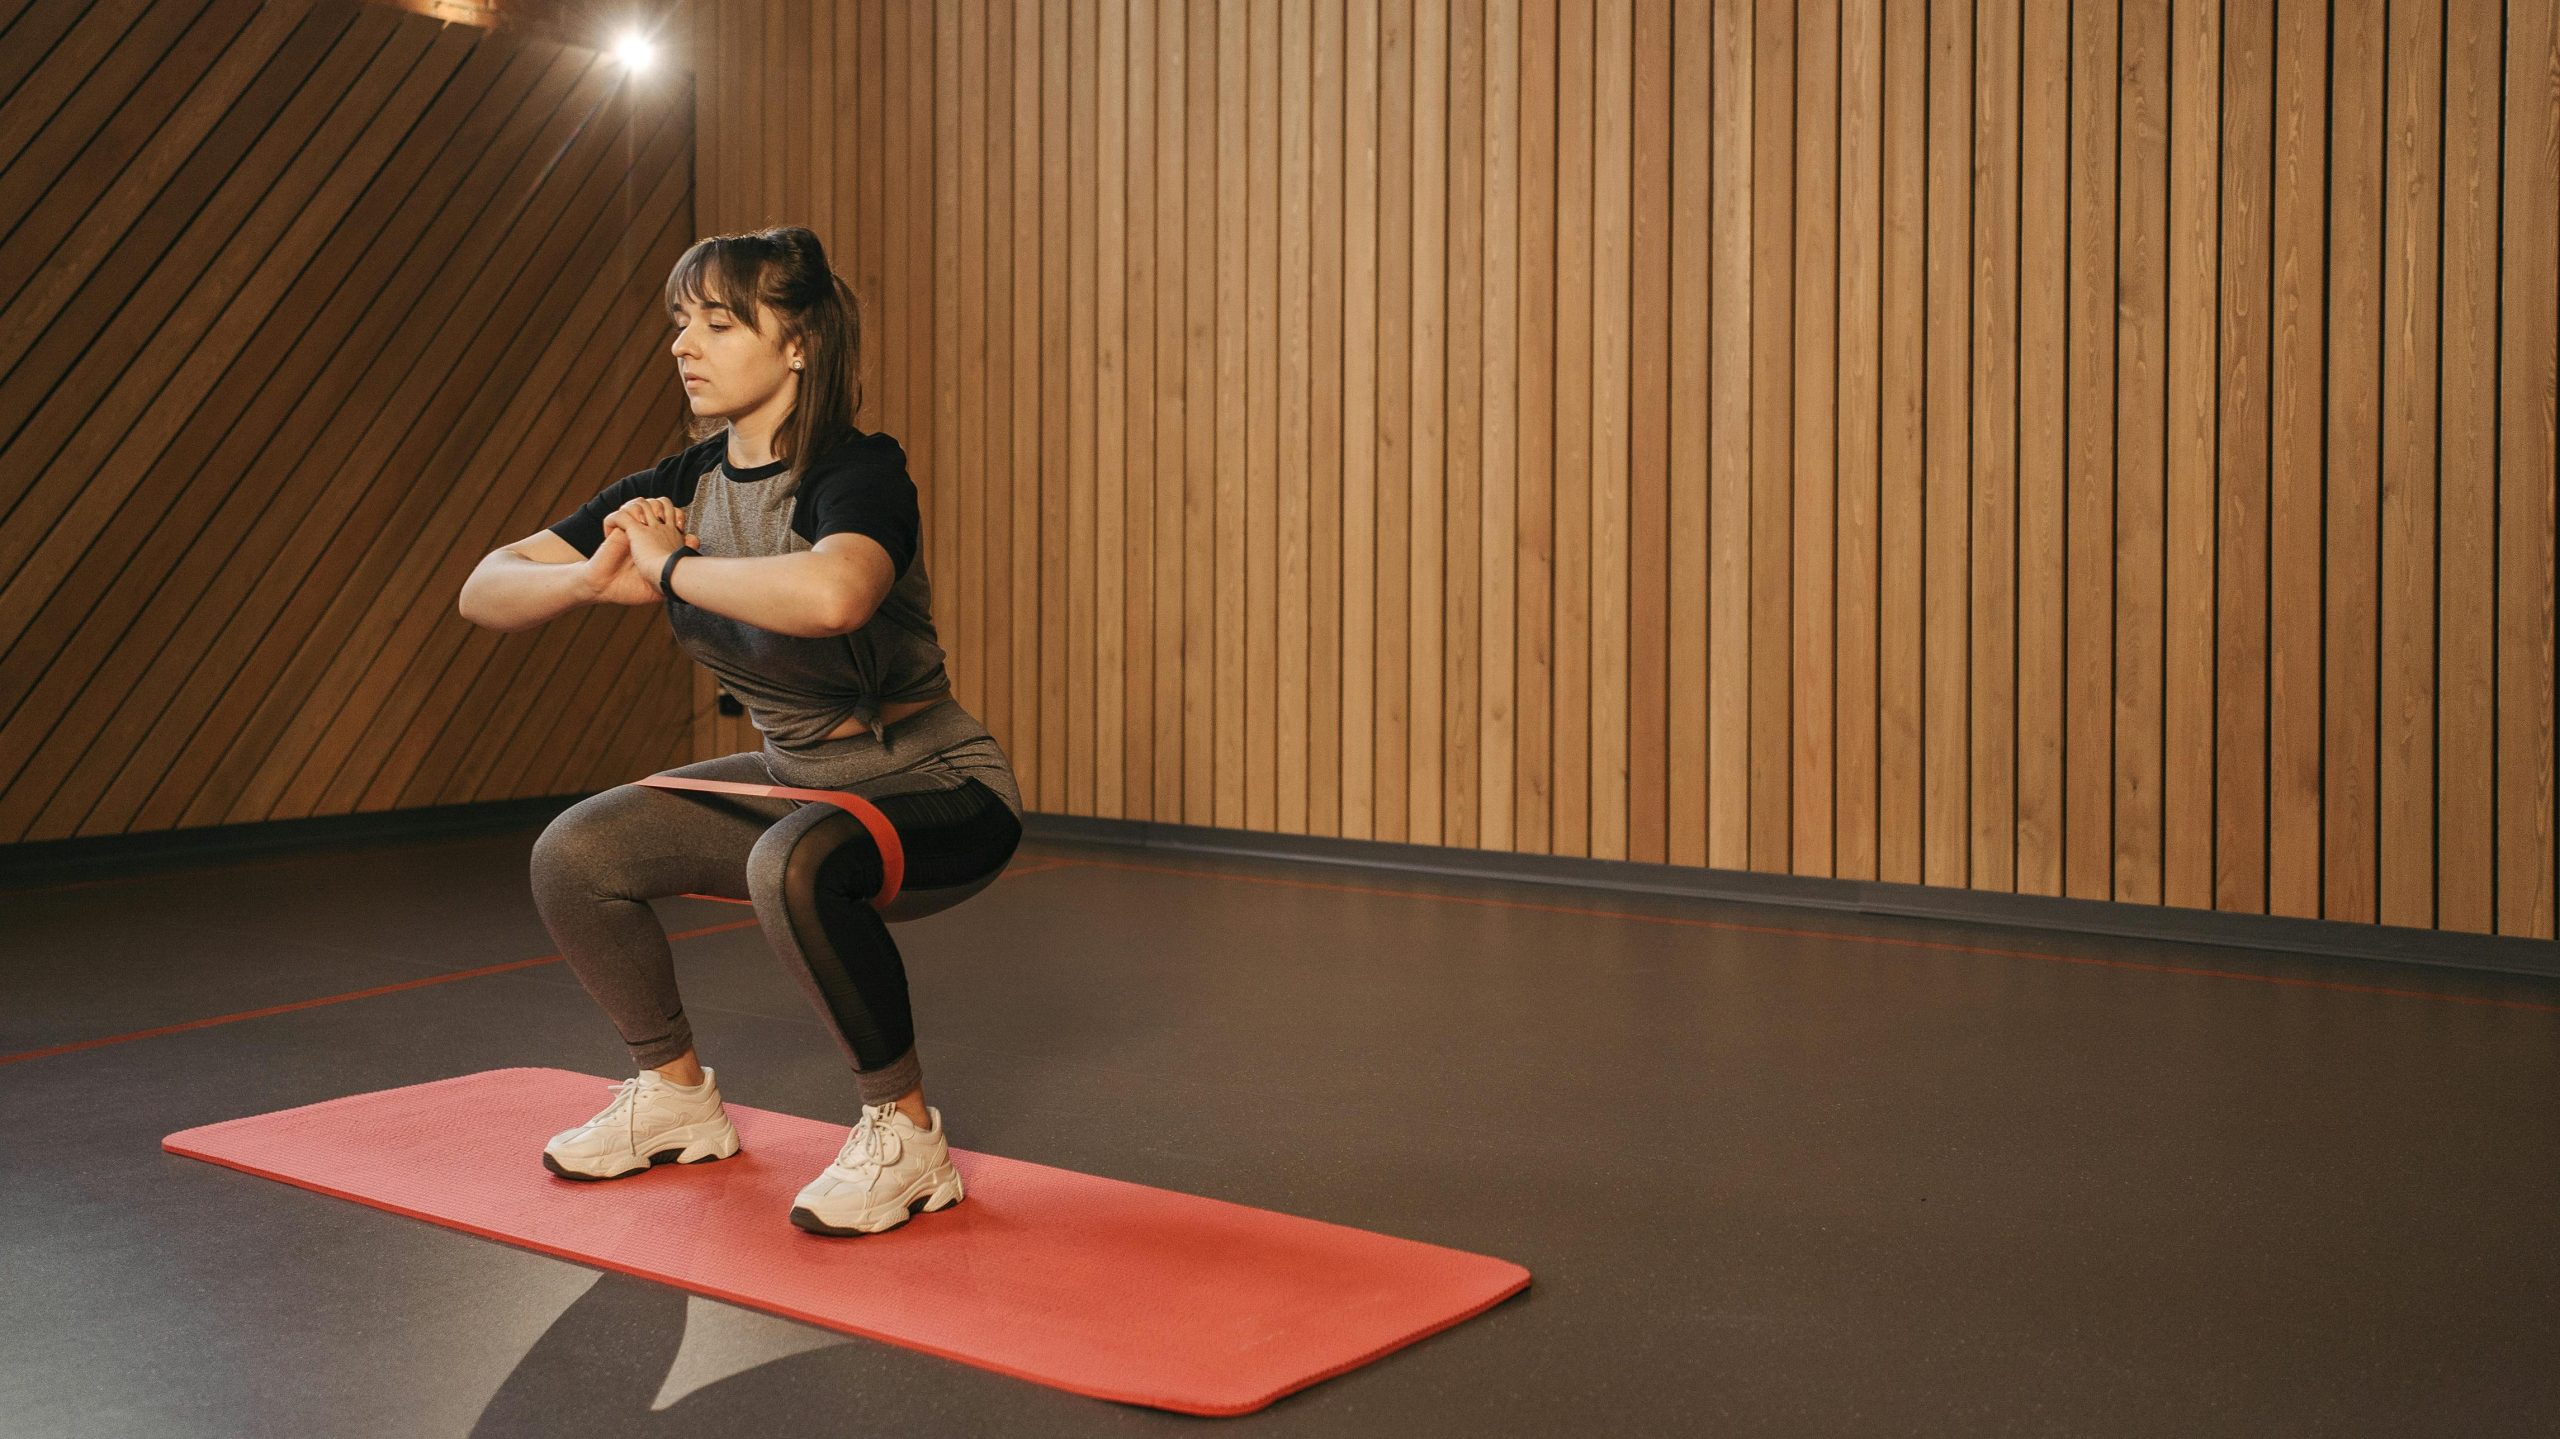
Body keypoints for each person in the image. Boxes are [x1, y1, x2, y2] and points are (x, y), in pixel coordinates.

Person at [456, 225, 1022, 1237]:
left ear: (796, 342)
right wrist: (586, 580)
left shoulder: (857, 469)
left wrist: (672, 569)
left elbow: (836, 593)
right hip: (797, 776)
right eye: (681, 323)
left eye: (718, 323)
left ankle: (907, 1137)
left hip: (938, 783)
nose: (684, 344)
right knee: (577, 852)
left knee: (790, 859)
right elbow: (484, 587)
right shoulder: (680, 484)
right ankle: (674, 1095)